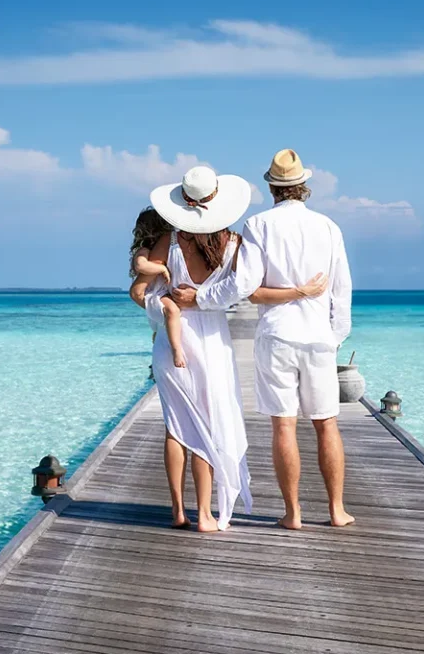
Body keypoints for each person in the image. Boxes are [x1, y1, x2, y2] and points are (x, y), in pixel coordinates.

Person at [130, 165, 327, 533]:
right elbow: (248, 289)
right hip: (213, 342)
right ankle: (206, 514)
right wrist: (300, 291)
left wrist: (166, 306)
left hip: (172, 344)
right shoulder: (235, 245)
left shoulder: (167, 243)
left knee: (176, 427)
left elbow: (138, 292)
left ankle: (178, 509)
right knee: (209, 422)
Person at [174, 149, 354, 530]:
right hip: (320, 337)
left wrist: (202, 299)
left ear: (271, 187)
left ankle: (294, 514)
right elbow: (342, 289)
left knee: (284, 426)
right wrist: (335, 336)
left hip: (277, 335)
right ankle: (337, 510)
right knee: (327, 424)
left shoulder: (259, 225)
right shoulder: (328, 227)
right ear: (303, 186)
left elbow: (244, 284)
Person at [129, 207, 186, 367]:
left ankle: (161, 353)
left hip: (160, 294)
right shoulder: (144, 250)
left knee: (163, 326)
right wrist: (161, 268)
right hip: (155, 295)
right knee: (172, 311)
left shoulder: (167, 250)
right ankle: (176, 351)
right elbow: (141, 265)